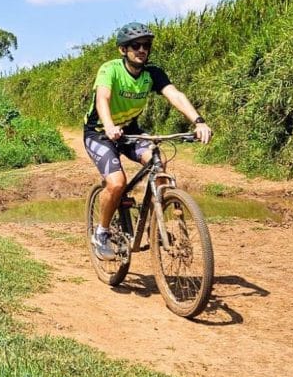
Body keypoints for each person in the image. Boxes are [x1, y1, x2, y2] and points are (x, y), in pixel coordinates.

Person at [84, 21, 212, 259]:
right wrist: (110, 126)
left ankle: (156, 220)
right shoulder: (110, 69)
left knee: (159, 164)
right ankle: (101, 233)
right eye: (136, 46)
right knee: (116, 183)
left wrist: (199, 121)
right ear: (123, 49)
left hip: (130, 132)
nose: (142, 50)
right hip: (100, 133)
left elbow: (175, 95)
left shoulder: (152, 73)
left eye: (146, 46)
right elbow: (103, 97)